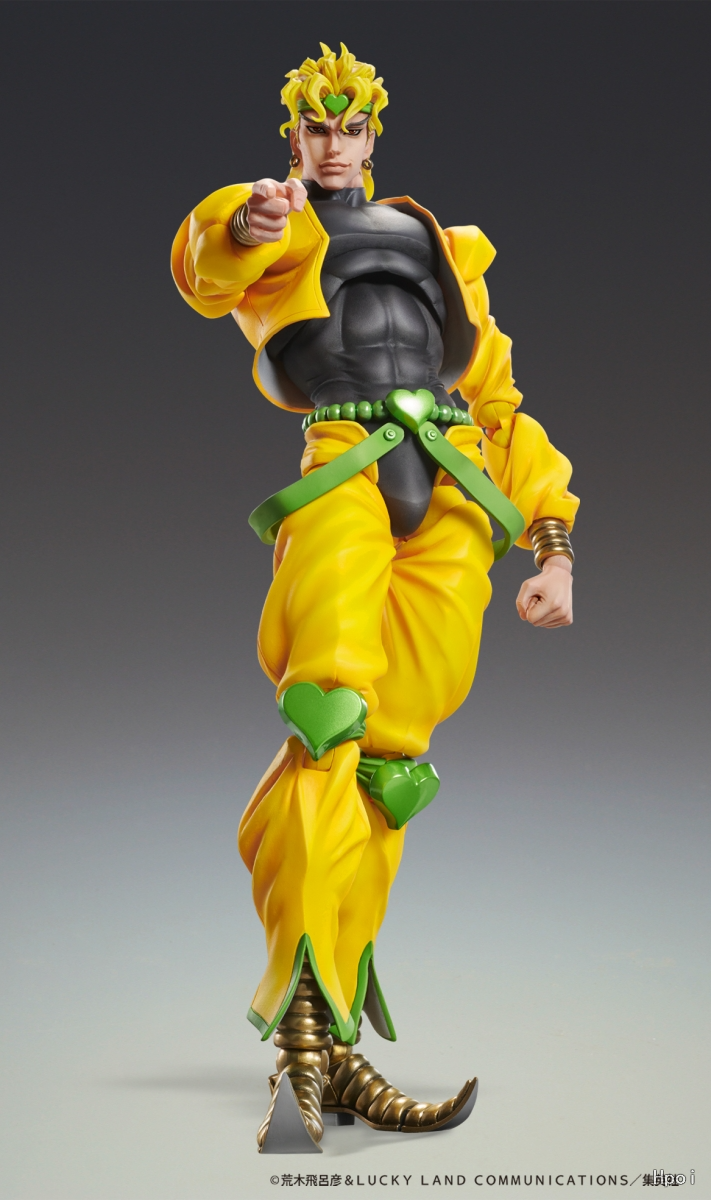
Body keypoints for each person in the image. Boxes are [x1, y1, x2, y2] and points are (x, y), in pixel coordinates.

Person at [171, 42, 578, 1153]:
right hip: (344, 471)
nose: (333, 142)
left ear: (371, 133)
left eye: (350, 126)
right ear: (294, 132)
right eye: (316, 125)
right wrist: (242, 220)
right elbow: (207, 268)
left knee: (392, 770)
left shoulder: (437, 243)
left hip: (447, 487)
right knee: (326, 725)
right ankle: (304, 1030)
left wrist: (551, 546)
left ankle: (337, 1041)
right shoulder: (280, 227)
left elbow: (497, 400)